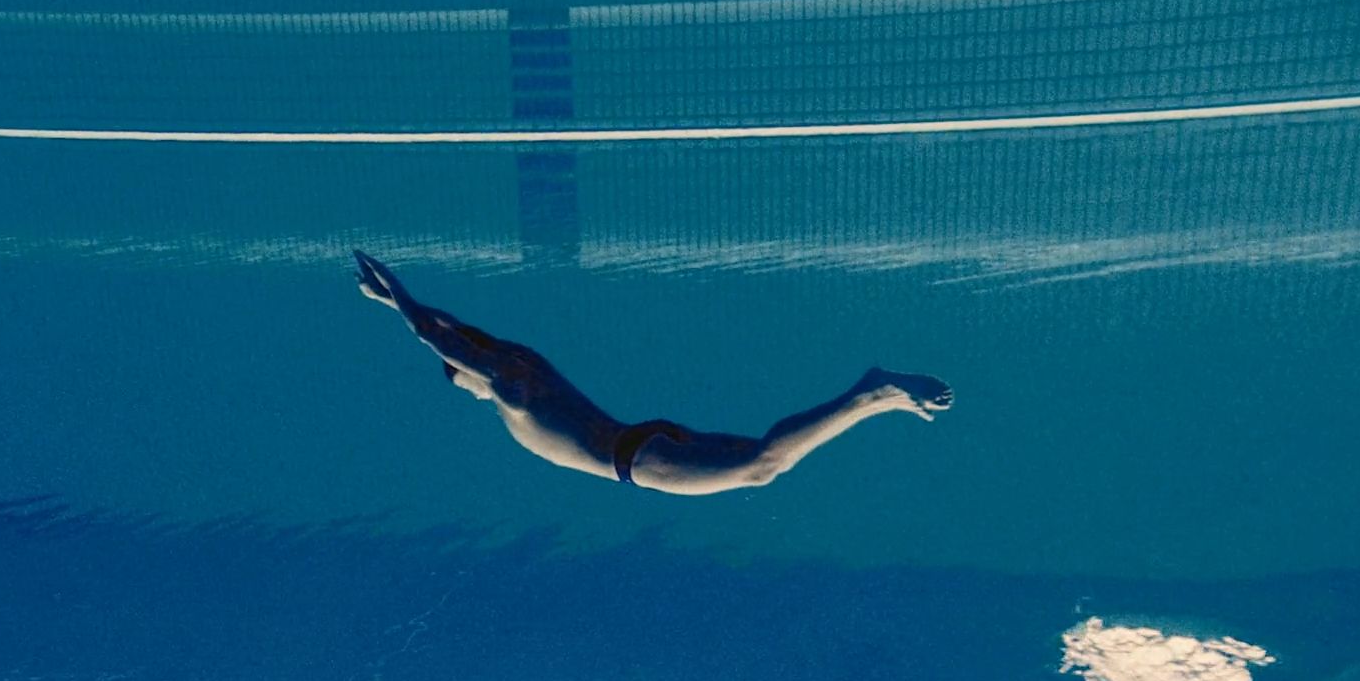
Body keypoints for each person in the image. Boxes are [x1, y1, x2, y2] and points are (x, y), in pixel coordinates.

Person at [355, 251, 953, 495]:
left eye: (458, 377)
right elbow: (452, 329)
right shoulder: (518, 364)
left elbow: (438, 335)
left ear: (469, 375)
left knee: (761, 467)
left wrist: (399, 298)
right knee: (764, 454)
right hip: (638, 439)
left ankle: (869, 392)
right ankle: (880, 402)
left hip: (637, 460)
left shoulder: (513, 391)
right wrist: (392, 302)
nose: (459, 384)